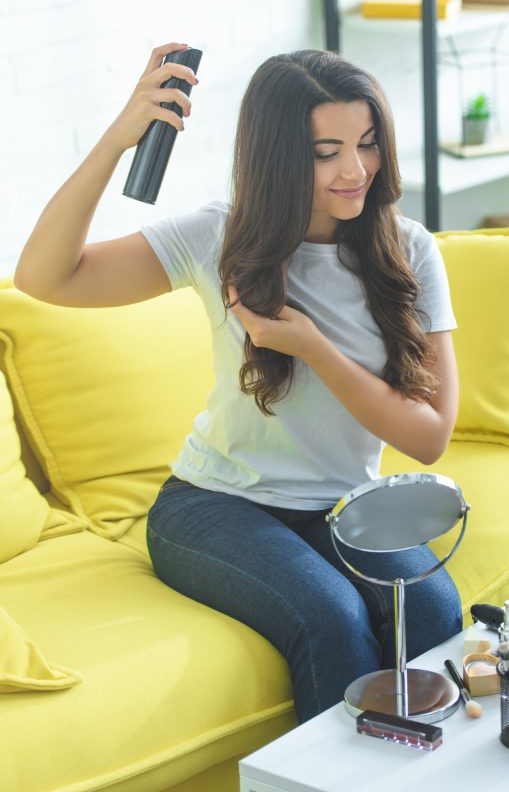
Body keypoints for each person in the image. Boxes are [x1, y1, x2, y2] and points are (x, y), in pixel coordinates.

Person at [14, 42, 462, 722]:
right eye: (325, 151)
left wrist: (309, 345)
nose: (354, 169)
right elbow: (45, 278)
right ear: (280, 155)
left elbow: (428, 438)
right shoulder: (216, 237)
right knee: (331, 617)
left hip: (343, 506)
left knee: (431, 606)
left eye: (367, 144)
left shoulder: (410, 251)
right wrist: (118, 138)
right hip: (212, 508)